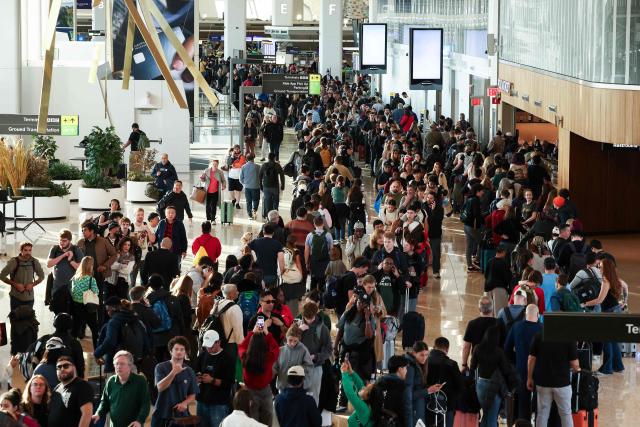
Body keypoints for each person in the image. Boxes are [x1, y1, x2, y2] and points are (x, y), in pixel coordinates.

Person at [527, 332, 579, 427]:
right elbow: (575, 365)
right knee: (566, 415)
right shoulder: (569, 337)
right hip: (562, 383)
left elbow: (531, 358)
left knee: (542, 414)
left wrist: (529, 378)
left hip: (543, 383)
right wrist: (578, 369)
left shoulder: (539, 336)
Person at [470, 326, 519, 427]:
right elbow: (505, 370)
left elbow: (473, 367)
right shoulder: (499, 352)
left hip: (480, 385)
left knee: (486, 414)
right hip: (494, 386)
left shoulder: (477, 348)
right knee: (492, 418)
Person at [583, 258, 625, 374]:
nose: (599, 268)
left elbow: (599, 300)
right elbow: (624, 288)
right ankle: (618, 366)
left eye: (600, 267)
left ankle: (607, 369)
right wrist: (624, 302)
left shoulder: (606, 281)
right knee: (613, 340)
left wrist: (584, 303)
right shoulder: (615, 279)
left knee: (607, 341)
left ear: (606, 268)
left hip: (609, 312)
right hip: (616, 311)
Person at [504, 304, 543, 421]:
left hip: (521, 369)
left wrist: (515, 360)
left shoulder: (517, 327)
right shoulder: (543, 328)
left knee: (522, 402)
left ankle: (523, 422)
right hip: (539, 371)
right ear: (538, 315)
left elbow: (506, 348)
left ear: (526, 314)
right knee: (541, 404)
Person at [92, 350, 150, 427]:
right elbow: (104, 402)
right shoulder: (111, 381)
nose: (118, 366)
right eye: (116, 364)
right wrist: (98, 414)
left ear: (130, 366)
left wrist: (139, 421)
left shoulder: (140, 381)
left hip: (133, 425)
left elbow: (145, 404)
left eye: (122, 364)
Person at [238, 320, 280, 426]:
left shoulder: (245, 357)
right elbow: (276, 348)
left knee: (252, 421)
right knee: (268, 419)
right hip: (265, 391)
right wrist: (267, 332)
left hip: (250, 391)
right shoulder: (268, 358)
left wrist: (252, 333)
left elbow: (241, 347)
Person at [151, 336, 198, 427]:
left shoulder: (189, 371)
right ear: (170, 351)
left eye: (182, 349)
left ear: (185, 352)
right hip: (161, 414)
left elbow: (192, 395)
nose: (179, 352)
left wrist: (185, 403)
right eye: (176, 349)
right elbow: (159, 388)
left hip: (180, 416)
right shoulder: (160, 367)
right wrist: (173, 372)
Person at [195, 330, 236, 427]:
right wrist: (197, 378)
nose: (208, 349)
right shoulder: (202, 356)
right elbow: (196, 372)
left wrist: (212, 380)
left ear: (218, 342)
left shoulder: (228, 359)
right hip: (201, 400)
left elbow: (229, 383)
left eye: (211, 346)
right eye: (207, 346)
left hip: (219, 403)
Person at [76, 221, 117, 303]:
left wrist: (105, 266)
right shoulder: (80, 242)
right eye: (82, 230)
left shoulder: (103, 241)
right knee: (84, 299)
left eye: (85, 230)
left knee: (98, 299)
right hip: (84, 276)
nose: (83, 232)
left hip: (99, 275)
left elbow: (114, 255)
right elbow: (76, 257)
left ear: (92, 231)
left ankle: (99, 314)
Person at [48, 356, 94, 427]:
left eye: (66, 366)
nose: (62, 369)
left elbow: (87, 414)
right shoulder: (56, 388)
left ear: (74, 368)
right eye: (59, 367)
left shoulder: (82, 385)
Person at [47, 229, 83, 315]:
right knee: (57, 314)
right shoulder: (55, 249)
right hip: (57, 288)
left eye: (64, 241)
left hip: (72, 288)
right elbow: (49, 264)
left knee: (71, 313)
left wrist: (70, 260)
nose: (61, 243)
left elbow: (81, 268)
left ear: (69, 240)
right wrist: (63, 255)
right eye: (60, 240)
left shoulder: (76, 249)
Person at [0, 242, 45, 311]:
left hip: (29, 298)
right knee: (15, 320)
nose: (28, 252)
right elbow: (2, 276)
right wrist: (15, 284)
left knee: (29, 321)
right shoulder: (14, 261)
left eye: (30, 250)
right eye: (25, 250)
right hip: (16, 298)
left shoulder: (34, 262)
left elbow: (42, 276)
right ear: (21, 250)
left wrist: (32, 285)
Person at [341, 359, 385, 427]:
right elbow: (360, 385)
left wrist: (344, 373)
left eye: (366, 388)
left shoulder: (364, 409)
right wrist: (351, 372)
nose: (363, 387)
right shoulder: (369, 406)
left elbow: (350, 393)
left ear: (368, 397)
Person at [272, 324, 313, 394]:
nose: (292, 343)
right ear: (286, 337)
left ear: (298, 340)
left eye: (295, 341)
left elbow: (309, 366)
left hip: (297, 388)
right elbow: (274, 367)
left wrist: (298, 368)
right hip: (282, 386)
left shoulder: (303, 350)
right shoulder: (280, 350)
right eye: (290, 340)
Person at [70, 256, 100, 347]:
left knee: (75, 330)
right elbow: (96, 292)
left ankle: (72, 349)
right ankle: (97, 351)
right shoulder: (91, 279)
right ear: (90, 266)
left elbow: (72, 292)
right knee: (94, 330)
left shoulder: (74, 278)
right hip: (88, 307)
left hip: (76, 307)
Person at [461, 296, 498, 370]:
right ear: (492, 309)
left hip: (477, 361)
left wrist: (464, 365)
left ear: (479, 309)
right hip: (495, 362)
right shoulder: (499, 323)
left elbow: (466, 347)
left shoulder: (472, 324)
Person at [248, 223, 285, 287]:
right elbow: (281, 259)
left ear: (263, 232)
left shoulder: (255, 241)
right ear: (273, 233)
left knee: (258, 293)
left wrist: (252, 261)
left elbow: (246, 249)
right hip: (271, 273)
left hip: (257, 273)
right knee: (271, 294)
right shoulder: (277, 244)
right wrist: (282, 272)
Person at [305, 216, 333, 292]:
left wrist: (306, 262)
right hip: (325, 261)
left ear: (314, 224)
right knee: (323, 279)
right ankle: (322, 298)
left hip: (314, 260)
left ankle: (312, 297)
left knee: (313, 279)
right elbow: (331, 250)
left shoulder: (310, 235)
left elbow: (307, 250)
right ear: (323, 224)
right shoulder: (328, 235)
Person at [461, 183, 484, 272]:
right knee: (481, 243)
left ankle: (470, 266)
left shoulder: (469, 198)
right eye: (481, 191)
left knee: (469, 246)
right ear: (478, 191)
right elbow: (476, 214)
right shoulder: (476, 200)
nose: (483, 192)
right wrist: (483, 219)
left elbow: (463, 209)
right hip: (473, 227)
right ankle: (477, 261)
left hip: (466, 225)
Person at [484, 246, 513, 316]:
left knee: (489, 312)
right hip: (499, 289)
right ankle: (497, 326)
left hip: (488, 288)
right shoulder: (504, 263)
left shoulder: (490, 261)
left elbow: (486, 275)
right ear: (503, 252)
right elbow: (507, 278)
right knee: (499, 312)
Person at [281, 235, 305, 317]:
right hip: (295, 275)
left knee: (287, 293)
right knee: (294, 295)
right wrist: (301, 274)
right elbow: (298, 263)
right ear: (294, 242)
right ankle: (294, 314)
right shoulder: (296, 251)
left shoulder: (283, 250)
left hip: (286, 275)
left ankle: (286, 312)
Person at [259, 153, 285, 219]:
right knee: (276, 201)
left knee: (267, 201)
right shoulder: (277, 165)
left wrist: (261, 185)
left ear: (268, 157)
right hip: (275, 187)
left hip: (266, 187)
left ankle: (268, 217)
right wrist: (282, 185)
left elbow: (260, 176)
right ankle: (275, 216)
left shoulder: (264, 165)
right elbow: (282, 175)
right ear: (274, 158)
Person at [200, 159, 227, 223]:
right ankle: (208, 218)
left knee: (213, 205)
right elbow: (203, 180)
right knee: (208, 205)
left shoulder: (220, 172)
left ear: (218, 165)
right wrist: (202, 178)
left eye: (216, 164)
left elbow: (223, 180)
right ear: (211, 164)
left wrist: (224, 185)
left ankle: (213, 219)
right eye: (213, 164)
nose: (215, 165)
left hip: (215, 191)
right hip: (207, 191)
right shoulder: (206, 171)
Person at [239, 154, 261, 219]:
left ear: (246, 159)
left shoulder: (243, 167)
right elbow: (261, 177)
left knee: (248, 201)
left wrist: (244, 184)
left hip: (247, 187)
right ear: (253, 159)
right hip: (256, 186)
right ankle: (254, 209)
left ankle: (250, 215)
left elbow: (240, 178)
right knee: (256, 200)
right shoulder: (258, 167)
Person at [226, 145, 247, 209]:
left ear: (239, 149)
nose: (237, 150)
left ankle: (237, 203)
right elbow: (229, 163)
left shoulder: (242, 156)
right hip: (231, 176)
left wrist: (234, 165)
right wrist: (232, 156)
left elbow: (241, 164)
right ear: (234, 150)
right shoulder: (231, 156)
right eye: (235, 149)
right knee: (230, 190)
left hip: (239, 176)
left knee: (238, 191)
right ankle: (233, 199)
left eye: (238, 149)